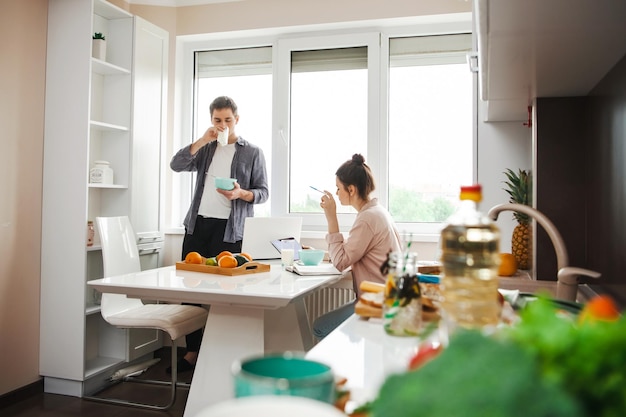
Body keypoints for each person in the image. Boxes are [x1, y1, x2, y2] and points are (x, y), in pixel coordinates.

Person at [169, 96, 269, 372]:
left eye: (227, 119)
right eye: (217, 120)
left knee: (228, 293)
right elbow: (176, 165)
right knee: (191, 289)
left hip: (230, 230)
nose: (222, 125)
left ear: (237, 119)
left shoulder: (252, 152)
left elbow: (263, 192)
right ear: (211, 120)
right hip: (198, 226)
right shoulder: (206, 149)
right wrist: (201, 140)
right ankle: (192, 352)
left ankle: (228, 352)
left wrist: (240, 193)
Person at [313, 154, 402, 339]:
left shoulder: (367, 218)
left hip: (378, 303)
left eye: (338, 188)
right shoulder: (377, 211)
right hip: (390, 299)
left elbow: (341, 262)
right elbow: (354, 251)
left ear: (351, 189)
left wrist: (331, 216)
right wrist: (321, 254)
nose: (336, 193)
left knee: (320, 327)